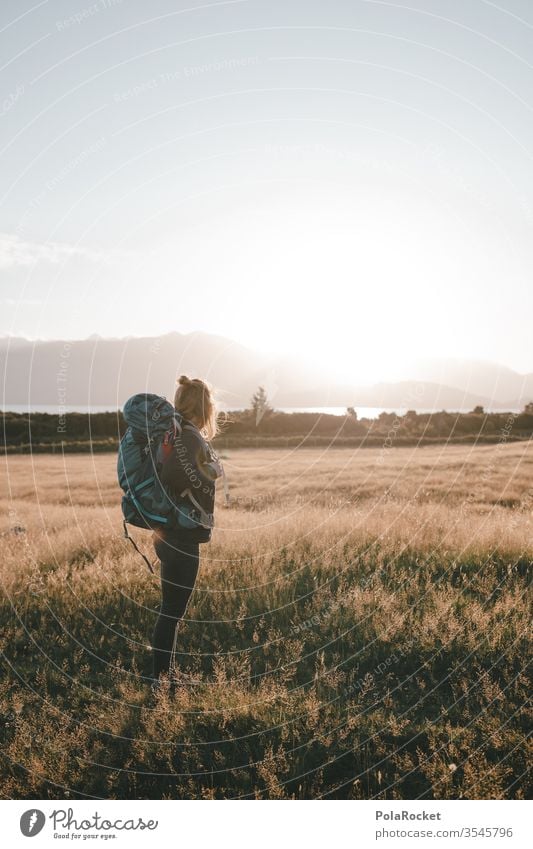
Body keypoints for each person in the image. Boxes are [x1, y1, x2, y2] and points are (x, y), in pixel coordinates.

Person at [150, 374, 223, 688]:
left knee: (171, 610)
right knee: (172, 612)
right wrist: (207, 474)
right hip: (180, 535)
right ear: (204, 406)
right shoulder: (189, 437)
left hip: (168, 531)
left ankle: (165, 676)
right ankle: (162, 680)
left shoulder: (174, 432)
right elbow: (175, 474)